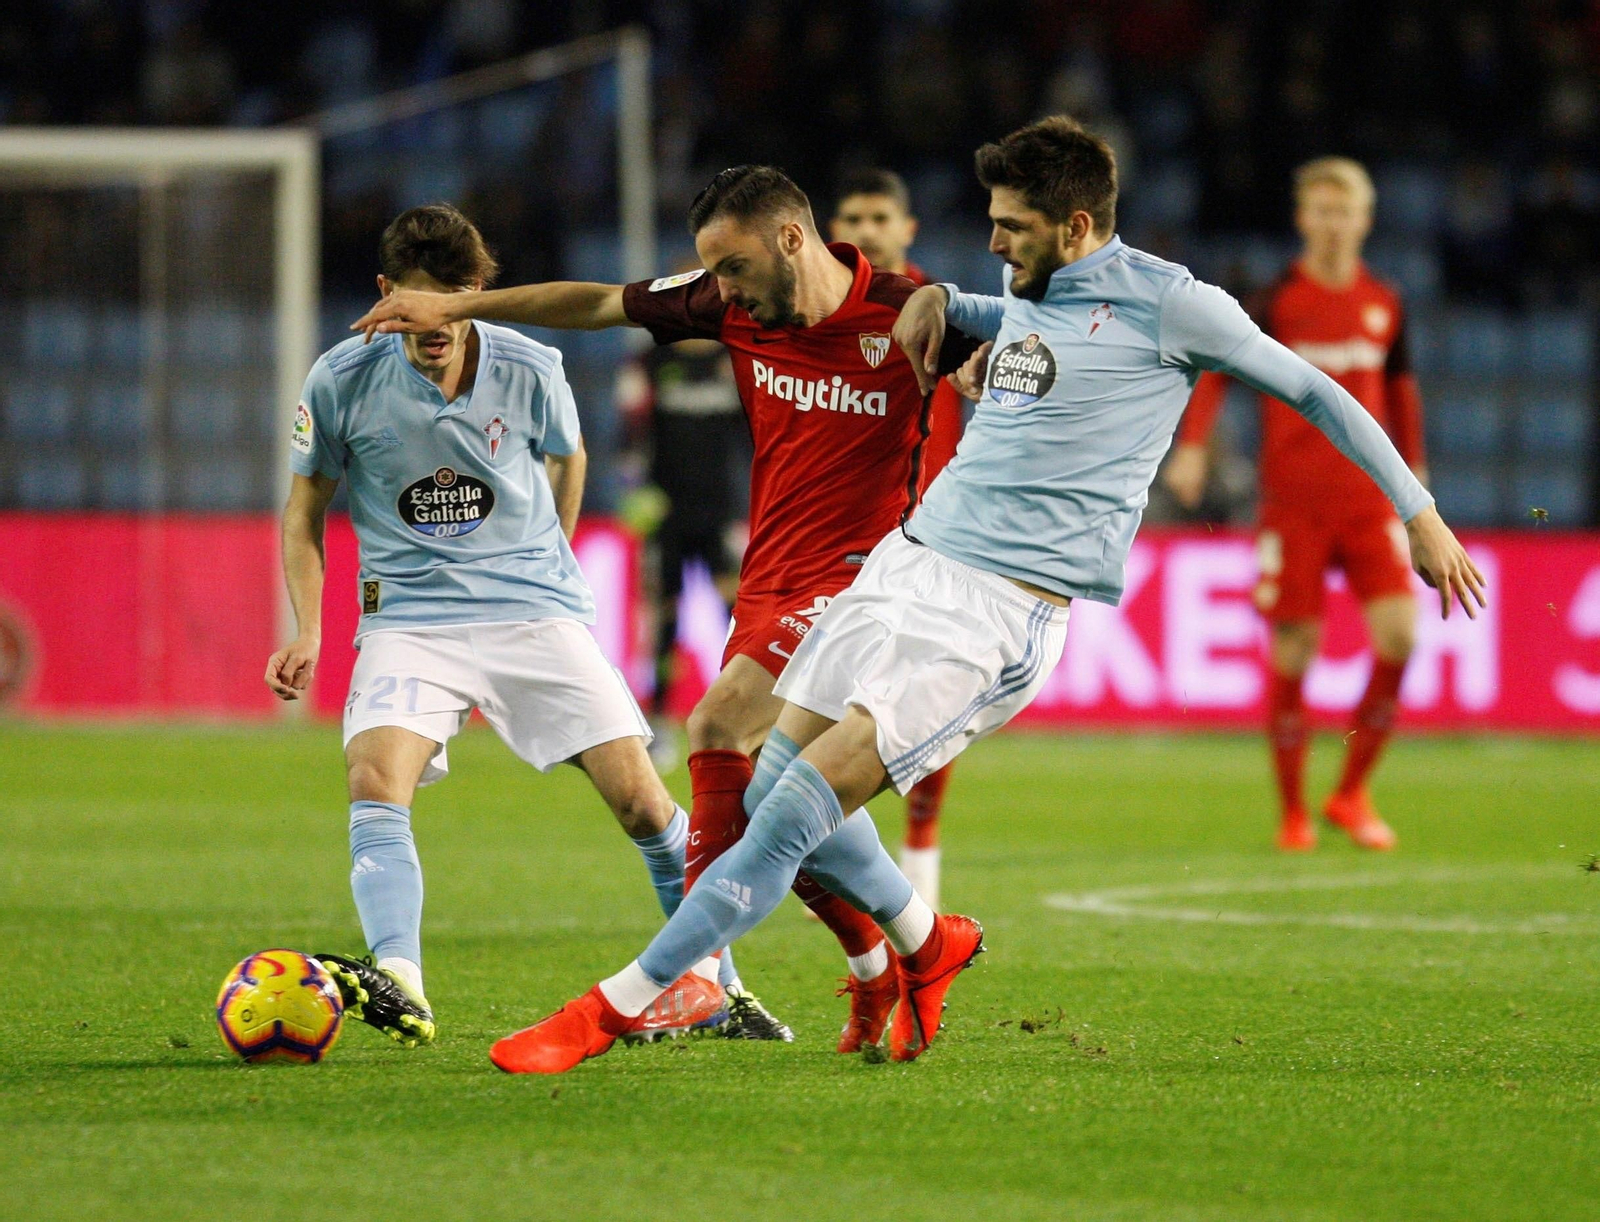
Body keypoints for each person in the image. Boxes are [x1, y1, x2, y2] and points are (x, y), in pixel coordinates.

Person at [484, 116, 1485, 1075]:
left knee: (786, 818)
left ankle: (614, 1007)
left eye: (1012, 226)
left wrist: (1419, 512)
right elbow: (1026, 321)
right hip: (904, 566)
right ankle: (927, 945)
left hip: (998, 612)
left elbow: (1315, 391)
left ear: (1077, 226)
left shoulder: (1178, 306)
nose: (995, 240)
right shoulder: (1030, 288)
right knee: (765, 789)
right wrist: (947, 302)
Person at [351, 167, 979, 1051]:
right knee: (773, 789)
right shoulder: (728, 306)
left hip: (864, 579)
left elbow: (1030, 363)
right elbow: (597, 303)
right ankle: (903, 947)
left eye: (732, 267)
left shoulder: (911, 315)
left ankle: (693, 975)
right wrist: (463, 307)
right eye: (712, 271)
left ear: (789, 239)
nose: (722, 288)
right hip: (770, 574)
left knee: (716, 726)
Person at [266, 204, 726, 1048]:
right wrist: (309, 631)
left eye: (454, 302)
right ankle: (400, 979)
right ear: (386, 292)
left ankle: (720, 983)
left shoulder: (530, 364)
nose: (436, 323)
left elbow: (569, 454)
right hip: (411, 622)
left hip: (531, 610)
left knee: (641, 801)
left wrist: (555, 564)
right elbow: (304, 511)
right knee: (374, 776)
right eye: (419, 302)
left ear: (477, 292)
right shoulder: (340, 377)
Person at [1164, 158, 1427, 852]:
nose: (1334, 224)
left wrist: (1417, 479)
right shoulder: (1278, 298)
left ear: (1365, 220)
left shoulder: (1386, 301)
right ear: (1302, 218)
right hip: (1293, 505)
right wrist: (1194, 446)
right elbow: (1217, 370)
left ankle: (1350, 792)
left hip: (1369, 501)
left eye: (1345, 211)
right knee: (1294, 648)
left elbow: (1400, 390)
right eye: (1322, 210)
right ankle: (1293, 813)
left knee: (1400, 637)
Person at [829, 167, 961, 907]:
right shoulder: (818, 312)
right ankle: (844, 866)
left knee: (927, 701)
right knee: (825, 707)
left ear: (907, 229)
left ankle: (921, 856)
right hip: (838, 534)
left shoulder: (944, 309)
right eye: (853, 217)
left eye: (880, 217)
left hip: (930, 536)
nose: (867, 230)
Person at [613, 295, 746, 772]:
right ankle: (659, 721)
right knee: (664, 617)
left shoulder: (735, 361)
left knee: (740, 614)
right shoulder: (651, 362)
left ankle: (748, 714)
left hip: (723, 510)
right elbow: (630, 435)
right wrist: (634, 489)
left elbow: (757, 436)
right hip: (666, 512)